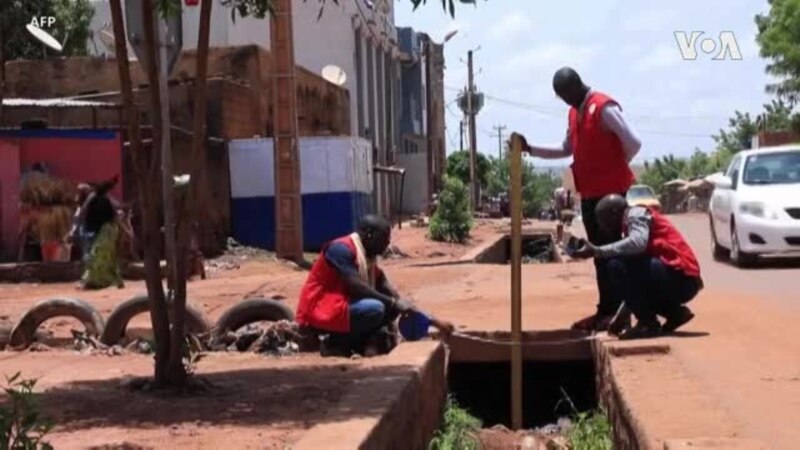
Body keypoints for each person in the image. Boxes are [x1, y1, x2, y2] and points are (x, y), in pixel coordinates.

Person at [513, 67, 642, 332]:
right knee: (599, 255)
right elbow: (566, 149)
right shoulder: (574, 114)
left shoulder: (604, 107)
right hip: (591, 195)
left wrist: (616, 166)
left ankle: (627, 311)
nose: (565, 101)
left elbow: (633, 142)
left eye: (565, 95)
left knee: (617, 253)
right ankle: (607, 311)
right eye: (561, 98)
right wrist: (530, 149)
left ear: (575, 86)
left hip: (613, 196)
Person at [296, 214, 454, 356]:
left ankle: (361, 342)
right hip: (320, 309)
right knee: (375, 308)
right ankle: (335, 344)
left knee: (390, 308)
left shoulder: (367, 258)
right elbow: (356, 286)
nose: (387, 243)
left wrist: (431, 320)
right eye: (384, 238)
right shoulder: (340, 249)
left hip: (343, 308)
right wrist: (393, 302)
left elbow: (388, 289)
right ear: (369, 235)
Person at [571, 194, 702, 340]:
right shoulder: (629, 224)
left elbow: (638, 243)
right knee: (631, 273)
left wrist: (598, 251)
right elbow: (633, 289)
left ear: (614, 213)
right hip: (681, 280)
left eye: (603, 220)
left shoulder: (635, 214)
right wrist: (619, 319)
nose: (603, 227)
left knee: (616, 266)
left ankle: (648, 324)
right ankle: (675, 313)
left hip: (681, 277)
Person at [65, 175, 124, 290]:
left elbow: (114, 217)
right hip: (96, 232)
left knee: (96, 256)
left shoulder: (99, 200)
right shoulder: (93, 201)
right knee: (102, 257)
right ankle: (107, 281)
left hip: (105, 232)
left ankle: (95, 281)